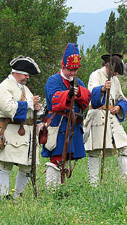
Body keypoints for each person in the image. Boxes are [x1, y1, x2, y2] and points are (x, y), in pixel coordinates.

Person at [41, 43, 102, 188]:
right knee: (56, 157)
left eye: (75, 70)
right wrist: (68, 94)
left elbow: (86, 100)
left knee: (67, 157)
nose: (73, 73)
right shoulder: (53, 80)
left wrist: (79, 92)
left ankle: (61, 188)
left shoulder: (78, 82)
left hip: (73, 125)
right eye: (70, 69)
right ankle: (51, 189)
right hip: (58, 123)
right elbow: (54, 98)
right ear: (63, 66)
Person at [0, 56, 42, 199]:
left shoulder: (24, 88)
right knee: (6, 165)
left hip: (27, 133)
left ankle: (17, 196)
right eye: (25, 74)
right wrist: (28, 103)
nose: (27, 77)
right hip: (10, 131)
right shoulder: (4, 87)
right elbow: (9, 108)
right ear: (16, 72)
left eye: (28, 75)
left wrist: (37, 108)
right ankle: (4, 197)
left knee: (27, 166)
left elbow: (30, 108)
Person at [83, 54, 127, 185]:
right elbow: (91, 95)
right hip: (97, 115)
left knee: (126, 147)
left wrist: (118, 107)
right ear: (107, 66)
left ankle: (125, 181)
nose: (116, 74)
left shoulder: (115, 79)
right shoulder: (95, 75)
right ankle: (93, 184)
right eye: (114, 71)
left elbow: (122, 98)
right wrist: (103, 88)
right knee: (95, 151)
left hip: (111, 115)